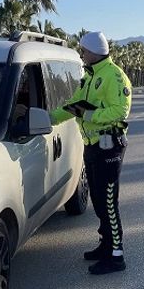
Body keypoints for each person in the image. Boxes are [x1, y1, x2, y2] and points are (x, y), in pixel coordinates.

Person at [50, 31, 132, 275]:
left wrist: (90, 115)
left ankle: (116, 257)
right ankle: (105, 245)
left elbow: (120, 111)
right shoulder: (91, 75)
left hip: (109, 147)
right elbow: (74, 104)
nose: (81, 54)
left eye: (83, 50)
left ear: (95, 50)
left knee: (108, 202)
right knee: (97, 200)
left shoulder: (114, 76)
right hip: (92, 145)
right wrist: (49, 118)